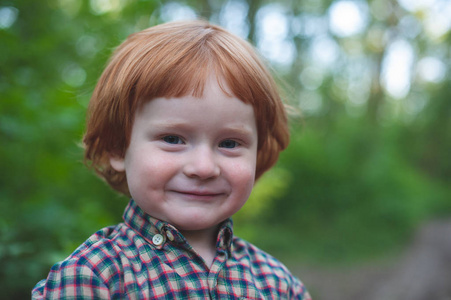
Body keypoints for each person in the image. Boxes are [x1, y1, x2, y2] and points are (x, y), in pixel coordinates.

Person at [32, 20, 311, 299]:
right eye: (173, 139)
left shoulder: (276, 283)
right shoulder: (93, 277)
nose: (203, 168)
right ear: (117, 147)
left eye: (229, 143)